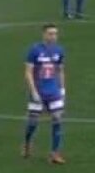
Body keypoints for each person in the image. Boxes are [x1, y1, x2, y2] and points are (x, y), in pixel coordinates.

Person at [22, 23, 67, 165]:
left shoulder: (59, 50)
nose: (53, 36)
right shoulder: (34, 50)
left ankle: (54, 153)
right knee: (33, 122)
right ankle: (27, 143)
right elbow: (28, 72)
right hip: (39, 91)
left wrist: (62, 89)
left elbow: (60, 70)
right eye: (50, 33)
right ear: (44, 34)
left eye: (55, 33)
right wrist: (34, 91)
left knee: (57, 119)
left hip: (53, 91)